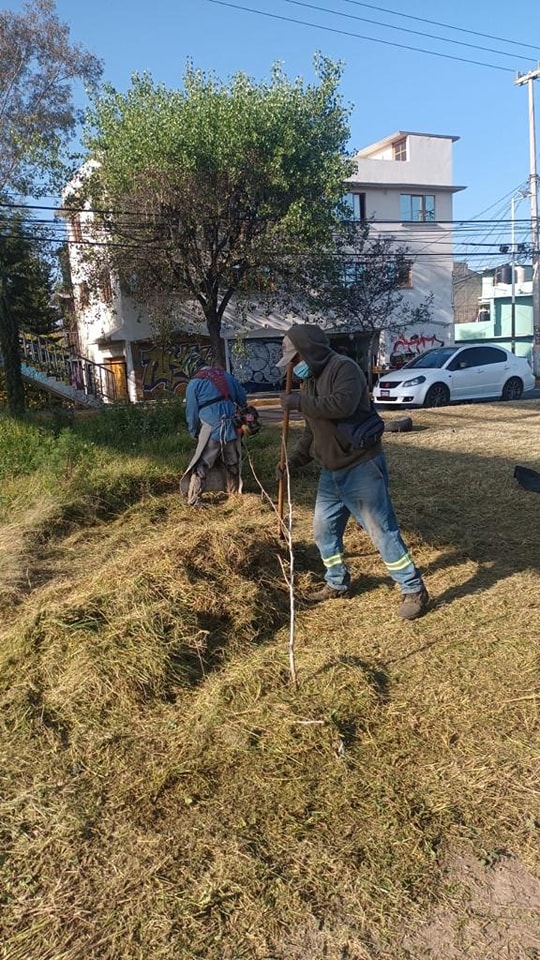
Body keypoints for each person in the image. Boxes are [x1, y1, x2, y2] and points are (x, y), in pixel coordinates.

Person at [277, 324, 429, 620]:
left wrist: (298, 402)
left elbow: (341, 405)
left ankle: (413, 588)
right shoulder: (309, 382)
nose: (294, 368)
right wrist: (292, 460)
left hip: (360, 464)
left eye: (296, 359)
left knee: (380, 531)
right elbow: (313, 431)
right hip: (331, 471)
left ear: (310, 351)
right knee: (323, 531)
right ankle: (337, 582)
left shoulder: (343, 368)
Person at [182, 365, 247, 507]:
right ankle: (234, 496)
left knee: (202, 464)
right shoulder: (226, 376)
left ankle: (193, 500)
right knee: (232, 462)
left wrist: (194, 432)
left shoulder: (194, 383)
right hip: (231, 426)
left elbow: (191, 412)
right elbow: (242, 400)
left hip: (211, 428)